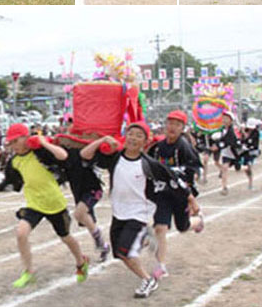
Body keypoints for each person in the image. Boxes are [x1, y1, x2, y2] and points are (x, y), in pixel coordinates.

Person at [80, 121, 198, 298]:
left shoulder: (149, 164)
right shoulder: (115, 158)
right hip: (118, 213)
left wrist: (191, 199)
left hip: (139, 213)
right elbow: (85, 155)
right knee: (120, 253)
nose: (133, 138)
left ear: (145, 142)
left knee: (125, 249)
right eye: (131, 134)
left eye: (138, 136)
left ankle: (148, 279)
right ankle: (144, 239)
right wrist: (103, 139)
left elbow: (174, 181)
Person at [0, 124, 89, 288]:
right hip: (34, 204)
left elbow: (63, 156)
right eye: (10, 143)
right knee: (21, 233)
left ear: (25, 138)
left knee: (66, 237)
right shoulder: (14, 162)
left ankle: (80, 262)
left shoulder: (41, 153)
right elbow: (10, 181)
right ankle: (28, 272)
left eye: (15, 141)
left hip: (55, 203)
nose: (12, 146)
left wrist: (44, 142)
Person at [147, 110, 204, 280]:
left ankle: (198, 220)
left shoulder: (184, 147)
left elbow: (194, 170)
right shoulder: (157, 148)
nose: (172, 127)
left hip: (180, 194)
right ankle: (161, 266)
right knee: (160, 228)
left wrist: (189, 195)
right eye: (170, 123)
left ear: (182, 128)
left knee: (182, 227)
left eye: (177, 125)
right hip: (163, 194)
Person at [64, 147, 110, 262]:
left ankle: (100, 243)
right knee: (87, 220)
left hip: (93, 190)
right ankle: (103, 245)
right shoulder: (65, 153)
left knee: (79, 213)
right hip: (78, 191)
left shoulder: (86, 150)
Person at [214, 110, 244, 195]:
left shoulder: (233, 130)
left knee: (241, 168)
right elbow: (221, 140)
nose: (224, 120)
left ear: (231, 120)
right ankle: (224, 187)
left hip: (234, 153)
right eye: (223, 118)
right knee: (225, 168)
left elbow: (229, 141)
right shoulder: (222, 130)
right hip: (226, 153)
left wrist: (219, 145)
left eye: (226, 119)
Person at [240, 118, 260, 189]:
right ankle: (249, 180)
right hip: (245, 152)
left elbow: (251, 142)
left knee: (248, 166)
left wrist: (245, 135)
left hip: (252, 151)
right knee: (245, 168)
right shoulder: (245, 130)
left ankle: (250, 183)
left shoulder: (256, 132)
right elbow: (242, 140)